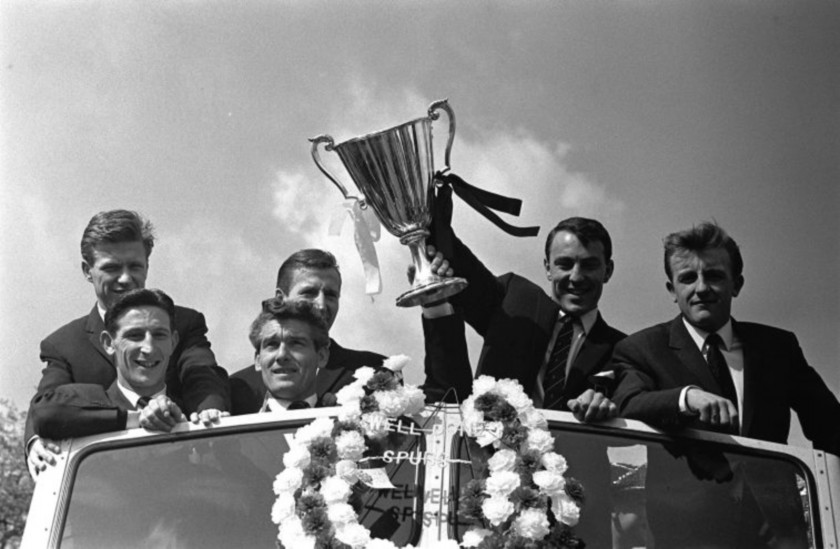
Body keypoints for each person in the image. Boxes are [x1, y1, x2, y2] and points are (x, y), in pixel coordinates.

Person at [612, 221, 840, 548]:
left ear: (737, 284)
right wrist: (686, 399)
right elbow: (627, 402)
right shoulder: (642, 349)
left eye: (714, 275)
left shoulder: (778, 347)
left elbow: (830, 425)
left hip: (777, 534)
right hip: (686, 536)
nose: (701, 287)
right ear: (671, 290)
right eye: (687, 278)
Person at [26, 210, 230, 476]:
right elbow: (46, 405)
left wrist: (210, 414)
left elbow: (201, 373)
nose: (125, 278)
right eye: (112, 267)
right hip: (103, 478)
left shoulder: (184, 321)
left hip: (182, 468)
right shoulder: (64, 344)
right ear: (88, 271)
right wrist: (35, 442)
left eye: (135, 266)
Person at [431, 208, 626, 420]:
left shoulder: (624, 352)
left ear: (608, 271)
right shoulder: (513, 302)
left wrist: (607, 405)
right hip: (487, 448)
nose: (576, 277)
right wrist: (430, 214)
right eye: (565, 264)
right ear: (547, 268)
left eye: (589, 265)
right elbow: (459, 262)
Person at [30, 289, 227, 438]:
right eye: (135, 336)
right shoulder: (93, 403)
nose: (148, 348)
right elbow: (45, 412)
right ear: (108, 343)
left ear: (173, 342)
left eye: (159, 335)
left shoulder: (192, 416)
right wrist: (135, 419)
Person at [230, 249, 383, 414]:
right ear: (280, 298)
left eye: (331, 295)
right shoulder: (237, 387)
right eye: (309, 293)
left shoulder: (375, 372)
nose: (322, 304)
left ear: (322, 357)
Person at [245, 297, 331, 410]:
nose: (282, 355)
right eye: (272, 344)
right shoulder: (226, 424)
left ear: (321, 356)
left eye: (296, 343)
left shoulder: (351, 421)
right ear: (258, 360)